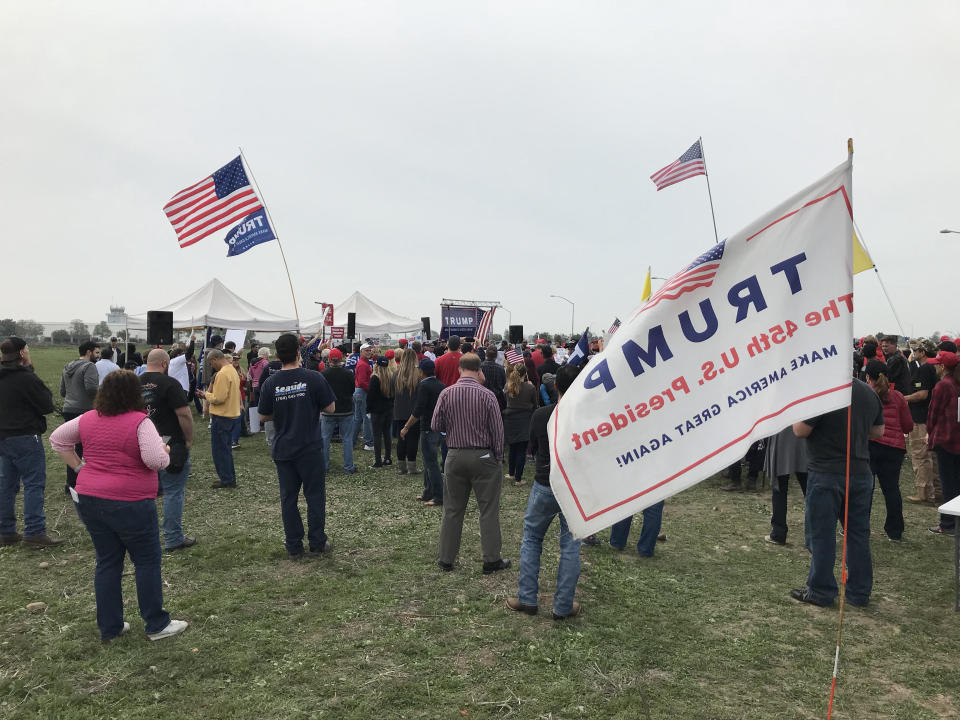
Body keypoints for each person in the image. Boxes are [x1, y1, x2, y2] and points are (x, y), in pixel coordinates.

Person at [49, 370, 188, 642]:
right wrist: (166, 450)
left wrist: (80, 467)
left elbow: (58, 439)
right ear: (135, 394)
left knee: (107, 561)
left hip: (90, 498)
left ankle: (110, 628)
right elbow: (156, 461)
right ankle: (157, 624)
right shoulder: (140, 422)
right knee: (146, 560)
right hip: (130, 502)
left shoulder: (88, 418)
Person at [790, 378, 884, 607]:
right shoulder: (868, 392)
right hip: (860, 473)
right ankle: (859, 592)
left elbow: (800, 430)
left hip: (826, 473)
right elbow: (878, 431)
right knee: (857, 534)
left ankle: (821, 591)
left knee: (822, 534)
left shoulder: (822, 389)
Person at [506, 363, 584, 620]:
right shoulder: (587, 417)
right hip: (573, 485)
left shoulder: (541, 415)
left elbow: (536, 449)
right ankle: (563, 606)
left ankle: (527, 598)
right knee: (571, 544)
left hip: (545, 482)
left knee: (532, 539)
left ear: (556, 386)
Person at [257, 333, 336, 557]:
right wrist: (307, 407)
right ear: (298, 352)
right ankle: (317, 542)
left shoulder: (271, 383)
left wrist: (283, 410)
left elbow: (262, 416)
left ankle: (294, 546)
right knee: (315, 496)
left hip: (284, 448)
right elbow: (330, 408)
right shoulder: (313, 378)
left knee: (288, 499)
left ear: (277, 355)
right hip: (309, 447)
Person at [432, 352, 510, 573]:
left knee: (452, 509)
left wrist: (453, 429)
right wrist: (498, 457)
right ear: (479, 370)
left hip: (455, 455)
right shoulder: (487, 396)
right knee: (488, 510)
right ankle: (491, 559)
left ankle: (446, 559)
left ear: (459, 369)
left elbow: (436, 423)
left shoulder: (446, 393)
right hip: (484, 456)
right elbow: (497, 430)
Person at [0, 337, 61, 547]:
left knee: (6, 485)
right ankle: (34, 531)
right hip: (25, 436)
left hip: (3, 436)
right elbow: (46, 405)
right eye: (27, 349)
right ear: (21, 354)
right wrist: (29, 370)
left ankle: (5, 531)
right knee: (34, 484)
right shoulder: (26, 378)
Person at [140, 349, 196, 551]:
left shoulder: (133, 383)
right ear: (165, 363)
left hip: (141, 443)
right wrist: (188, 438)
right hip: (171, 443)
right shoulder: (170, 384)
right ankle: (173, 538)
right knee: (173, 491)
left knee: (143, 493)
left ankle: (142, 537)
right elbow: (184, 414)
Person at [864, 359, 913, 542]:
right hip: (894, 448)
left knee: (865, 489)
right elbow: (908, 425)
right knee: (892, 489)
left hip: (870, 445)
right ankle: (895, 531)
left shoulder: (865, 395)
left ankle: (859, 527)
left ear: (868, 376)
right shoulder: (898, 397)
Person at [400, 358, 445, 506]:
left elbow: (418, 409)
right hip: (438, 428)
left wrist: (406, 426)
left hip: (427, 428)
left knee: (431, 463)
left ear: (422, 372)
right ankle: (428, 492)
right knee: (427, 461)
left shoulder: (424, 386)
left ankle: (439, 496)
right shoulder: (441, 385)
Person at [926, 350, 960, 535]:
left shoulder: (943, 386)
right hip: (957, 440)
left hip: (946, 441)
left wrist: (929, 432)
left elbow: (933, 413)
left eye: (937, 363)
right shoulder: (956, 383)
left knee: (948, 483)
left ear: (943, 366)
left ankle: (947, 524)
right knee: (957, 482)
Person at [60, 340, 100, 492]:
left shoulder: (67, 366)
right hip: (85, 410)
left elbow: (62, 391)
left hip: (68, 409)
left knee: (72, 448)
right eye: (96, 352)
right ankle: (86, 482)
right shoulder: (89, 366)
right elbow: (91, 389)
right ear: (89, 352)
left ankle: (71, 482)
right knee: (88, 448)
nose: (98, 356)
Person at [904, 339, 940, 503]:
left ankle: (923, 493)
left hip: (920, 418)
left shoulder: (925, 369)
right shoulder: (933, 368)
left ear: (922, 352)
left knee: (920, 455)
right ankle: (937, 491)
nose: (913, 353)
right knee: (931, 457)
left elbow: (922, 394)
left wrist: (904, 398)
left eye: (915, 350)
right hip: (928, 417)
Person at [200, 349, 241, 488]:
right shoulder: (232, 370)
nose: (212, 366)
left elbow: (219, 398)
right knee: (226, 449)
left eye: (211, 363)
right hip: (231, 415)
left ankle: (227, 479)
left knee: (220, 450)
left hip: (222, 416)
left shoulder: (222, 374)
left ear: (215, 359)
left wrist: (205, 395)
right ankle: (229, 477)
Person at [763, 427, 808, 545]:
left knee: (780, 489)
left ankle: (778, 533)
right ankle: (815, 537)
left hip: (786, 435)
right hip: (801, 437)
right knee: (810, 490)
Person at [321, 348, 357, 475]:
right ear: (341, 358)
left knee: (325, 439)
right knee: (347, 439)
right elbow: (352, 390)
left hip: (328, 411)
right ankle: (348, 467)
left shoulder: (323, 374)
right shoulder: (348, 374)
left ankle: (324, 467)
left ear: (329, 359)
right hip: (346, 410)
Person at [503, 361, 537, 485]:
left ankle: (511, 474)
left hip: (510, 420)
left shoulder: (508, 387)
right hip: (524, 419)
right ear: (525, 373)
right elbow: (535, 404)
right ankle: (518, 478)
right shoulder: (530, 387)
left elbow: (504, 401)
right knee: (521, 450)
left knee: (513, 448)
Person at [392, 348, 420, 475]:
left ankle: (401, 466)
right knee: (413, 439)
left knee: (401, 438)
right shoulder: (417, 374)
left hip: (399, 410)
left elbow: (393, 391)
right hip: (413, 412)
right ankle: (412, 467)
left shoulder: (396, 374)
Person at [366, 356, 395, 469]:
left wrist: (368, 410)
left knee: (377, 435)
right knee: (387, 434)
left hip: (377, 411)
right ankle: (387, 458)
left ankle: (378, 461)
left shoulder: (375, 378)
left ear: (376, 365)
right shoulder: (391, 376)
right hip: (388, 409)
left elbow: (370, 397)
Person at [352, 343, 375, 452]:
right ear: (361, 352)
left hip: (359, 392)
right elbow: (362, 382)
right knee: (366, 418)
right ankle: (368, 443)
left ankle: (352, 441)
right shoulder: (363, 364)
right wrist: (371, 390)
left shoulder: (363, 363)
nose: (369, 352)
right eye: (366, 350)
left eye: (370, 350)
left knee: (358, 418)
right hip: (362, 392)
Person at [248, 347, 270, 434]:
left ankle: (256, 425)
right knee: (263, 405)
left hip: (254, 386)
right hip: (262, 386)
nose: (268, 356)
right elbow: (268, 373)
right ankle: (262, 425)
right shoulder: (264, 362)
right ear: (265, 354)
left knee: (256, 405)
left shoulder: (252, 362)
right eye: (268, 354)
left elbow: (250, 375)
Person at [229, 354, 248, 449]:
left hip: (241, 397)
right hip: (231, 398)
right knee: (234, 420)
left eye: (237, 360)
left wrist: (246, 379)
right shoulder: (228, 371)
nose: (236, 361)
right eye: (234, 360)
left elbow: (244, 385)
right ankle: (232, 441)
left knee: (239, 419)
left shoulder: (241, 370)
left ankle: (234, 440)